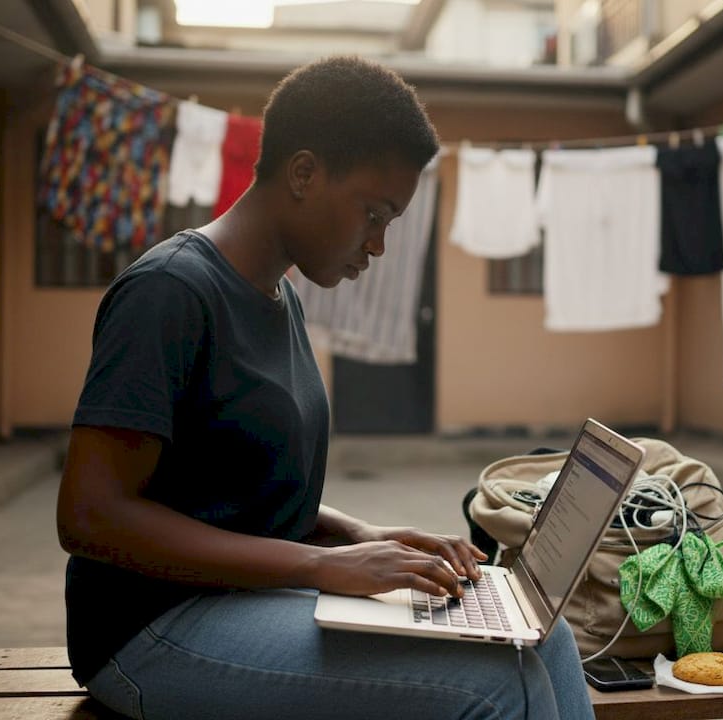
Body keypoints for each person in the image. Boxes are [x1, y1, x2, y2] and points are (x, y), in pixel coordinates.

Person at [55, 56, 594, 720]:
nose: (379, 245)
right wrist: (321, 569)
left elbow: (236, 496)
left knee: (545, 638)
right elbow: (89, 514)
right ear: (304, 173)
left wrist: (364, 536)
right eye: (374, 212)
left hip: (246, 600)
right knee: (496, 685)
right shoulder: (170, 292)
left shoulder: (281, 300)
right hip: (150, 628)